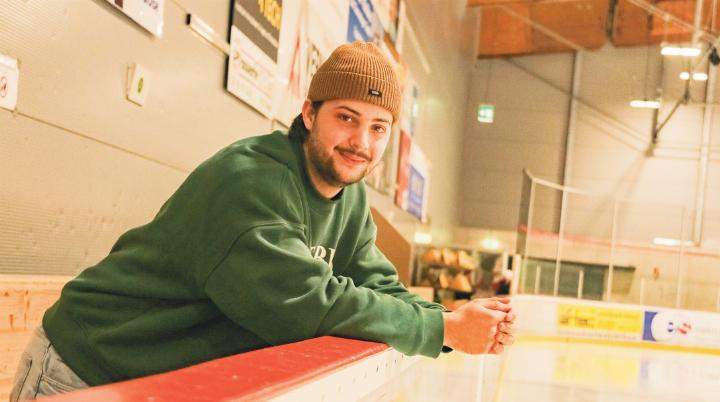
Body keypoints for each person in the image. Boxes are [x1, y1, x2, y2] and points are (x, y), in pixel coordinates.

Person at [10, 42, 516, 401]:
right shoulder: (250, 181)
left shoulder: (350, 198)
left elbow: (377, 284)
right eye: (346, 117)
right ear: (309, 112)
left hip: (157, 383)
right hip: (84, 370)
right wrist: (442, 326)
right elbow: (306, 305)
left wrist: (457, 322)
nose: (361, 142)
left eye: (378, 127)